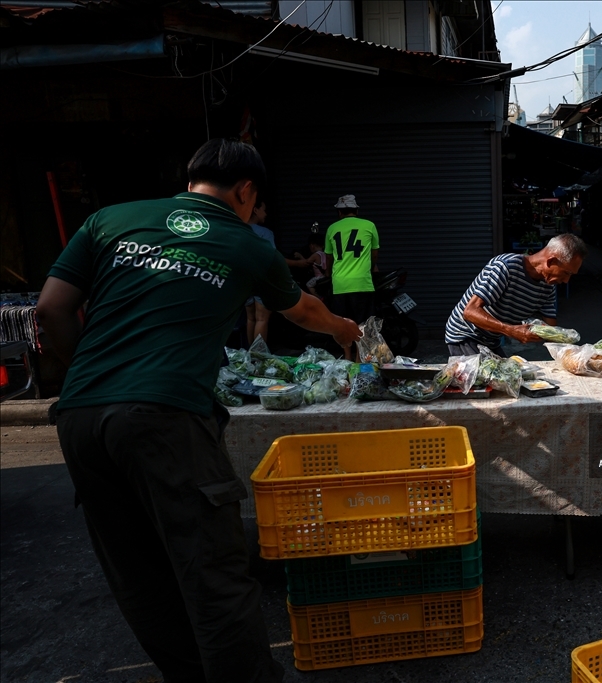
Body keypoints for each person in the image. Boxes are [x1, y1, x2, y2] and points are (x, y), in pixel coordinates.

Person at [35, 139, 362, 682]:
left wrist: (95, 377)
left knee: (139, 573)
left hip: (80, 417)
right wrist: (343, 329)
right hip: (165, 417)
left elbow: (50, 310)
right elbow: (303, 310)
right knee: (212, 574)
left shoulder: (109, 220)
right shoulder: (248, 242)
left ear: (191, 180)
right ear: (246, 190)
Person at [445, 233, 586, 357]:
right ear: (551, 261)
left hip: (491, 340)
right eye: (566, 273)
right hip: (464, 335)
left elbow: (553, 330)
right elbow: (470, 311)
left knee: (511, 378)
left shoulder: (548, 286)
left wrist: (575, 355)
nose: (566, 280)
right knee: (489, 382)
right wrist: (511, 330)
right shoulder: (505, 267)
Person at [324, 194, 378, 358]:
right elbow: (374, 254)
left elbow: (329, 257)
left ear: (339, 212)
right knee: (362, 324)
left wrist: (328, 275)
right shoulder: (369, 226)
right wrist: (368, 268)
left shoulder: (332, 228)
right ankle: (359, 358)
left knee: (342, 324)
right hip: (362, 283)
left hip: (340, 284)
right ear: (356, 210)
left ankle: (347, 356)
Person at [244, 200, 274, 346]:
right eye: (264, 209)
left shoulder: (238, 229)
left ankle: (250, 357)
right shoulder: (265, 233)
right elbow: (271, 258)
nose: (266, 214)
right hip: (261, 280)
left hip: (244, 280)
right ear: (255, 210)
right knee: (262, 318)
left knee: (251, 318)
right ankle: (259, 358)